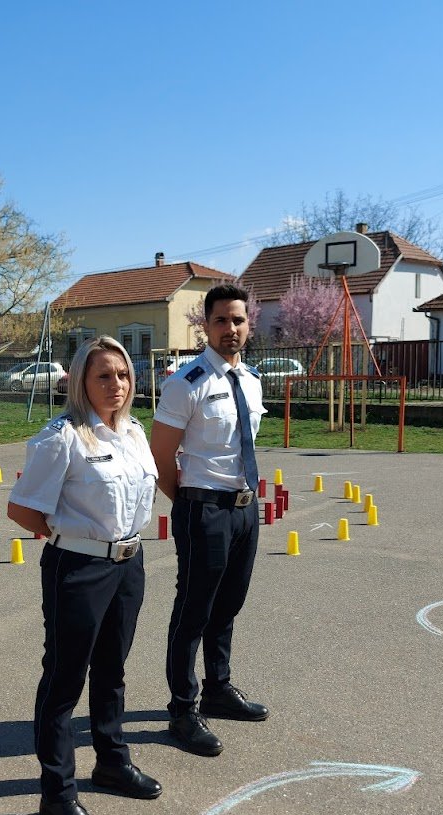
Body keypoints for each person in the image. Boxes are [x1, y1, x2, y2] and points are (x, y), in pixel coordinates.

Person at [7, 336, 162, 815]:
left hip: (127, 564)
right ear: (80, 381)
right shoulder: (63, 437)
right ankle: (57, 793)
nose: (115, 384)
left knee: (112, 668)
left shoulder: (134, 431)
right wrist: (70, 539)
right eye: (102, 376)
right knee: (64, 679)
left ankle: (112, 762)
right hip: (78, 568)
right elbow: (24, 508)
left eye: (122, 374)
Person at [150, 283, 269, 758]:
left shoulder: (253, 380)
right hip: (204, 507)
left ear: (248, 325)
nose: (231, 329)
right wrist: (191, 503)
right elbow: (160, 457)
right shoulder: (187, 382)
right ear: (206, 325)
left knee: (229, 603)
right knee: (194, 609)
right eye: (221, 320)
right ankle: (183, 707)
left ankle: (218, 688)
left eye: (238, 320)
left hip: (245, 508)